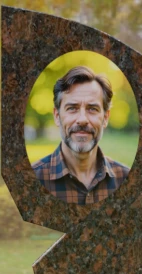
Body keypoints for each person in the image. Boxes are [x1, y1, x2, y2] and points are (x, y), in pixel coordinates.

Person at [32, 66, 129, 205]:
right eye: (72, 108)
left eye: (92, 109)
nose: (82, 119)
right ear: (57, 116)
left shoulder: (127, 179)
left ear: (106, 118)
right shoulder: (30, 179)